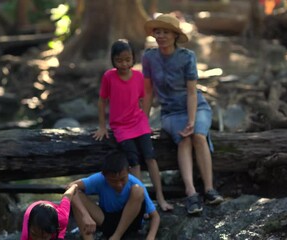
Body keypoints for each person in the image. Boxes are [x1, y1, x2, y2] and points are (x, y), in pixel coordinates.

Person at [142, 13, 224, 215]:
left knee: (197, 134)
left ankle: (209, 189)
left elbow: (191, 92)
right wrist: (142, 120)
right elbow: (149, 91)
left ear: (175, 35)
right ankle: (191, 193)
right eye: (157, 32)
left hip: (196, 107)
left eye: (165, 32)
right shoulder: (149, 58)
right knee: (183, 139)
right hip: (170, 112)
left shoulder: (187, 57)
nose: (161, 36)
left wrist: (192, 119)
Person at [93, 39, 173, 211]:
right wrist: (102, 126)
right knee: (134, 162)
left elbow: (143, 98)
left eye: (128, 59)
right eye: (119, 60)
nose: (124, 64)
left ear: (133, 58)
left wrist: (144, 118)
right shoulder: (109, 76)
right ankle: (142, 202)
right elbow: (102, 102)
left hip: (139, 123)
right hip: (120, 127)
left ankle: (160, 197)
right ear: (113, 60)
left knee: (150, 158)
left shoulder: (138, 76)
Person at [68, 151, 160, 240]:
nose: (119, 184)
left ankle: (117, 236)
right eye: (113, 181)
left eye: (122, 179)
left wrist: (150, 237)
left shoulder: (134, 182)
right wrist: (85, 215)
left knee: (138, 190)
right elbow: (70, 187)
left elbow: (155, 216)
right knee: (76, 195)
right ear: (104, 175)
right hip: (106, 220)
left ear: (129, 171)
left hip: (131, 223)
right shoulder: (100, 179)